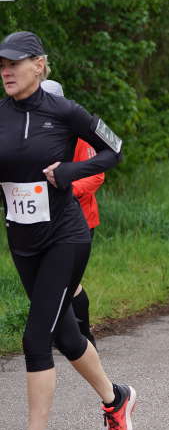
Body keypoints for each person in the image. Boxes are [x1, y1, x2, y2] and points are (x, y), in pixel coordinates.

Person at [0, 31, 134, 430]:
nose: (6, 71)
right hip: (21, 237)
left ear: (39, 65)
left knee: (36, 339)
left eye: (14, 63)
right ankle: (116, 399)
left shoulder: (64, 111)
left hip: (65, 236)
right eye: (1, 64)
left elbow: (112, 148)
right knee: (66, 335)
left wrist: (72, 172)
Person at [40, 79, 104, 346]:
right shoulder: (29, 134)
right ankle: (63, 335)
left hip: (79, 218)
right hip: (42, 218)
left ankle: (84, 336)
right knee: (50, 280)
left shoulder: (78, 134)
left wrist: (65, 187)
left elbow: (96, 175)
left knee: (70, 280)